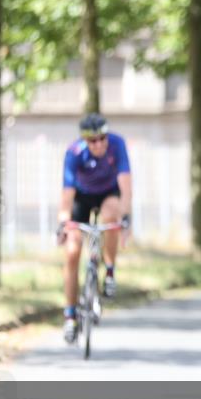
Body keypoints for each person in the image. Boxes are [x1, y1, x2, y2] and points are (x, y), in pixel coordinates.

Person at [56, 113, 133, 344]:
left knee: (110, 216)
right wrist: (63, 223)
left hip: (109, 193)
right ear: (84, 140)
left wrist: (126, 218)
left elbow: (126, 186)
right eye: (92, 140)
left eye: (102, 138)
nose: (99, 144)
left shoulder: (117, 144)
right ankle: (70, 315)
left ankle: (109, 271)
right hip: (82, 196)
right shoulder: (74, 153)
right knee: (72, 250)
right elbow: (67, 196)